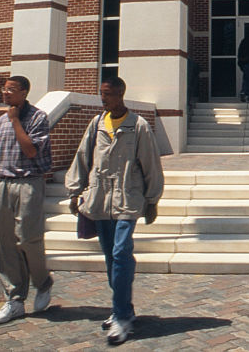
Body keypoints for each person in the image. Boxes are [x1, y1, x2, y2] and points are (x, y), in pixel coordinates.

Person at [65, 76, 164, 345]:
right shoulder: (96, 124)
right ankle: (123, 308)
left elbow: (151, 165)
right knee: (111, 256)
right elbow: (82, 158)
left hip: (127, 200)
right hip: (99, 200)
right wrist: (75, 192)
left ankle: (122, 317)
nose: (103, 98)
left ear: (121, 94)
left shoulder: (138, 126)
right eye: (101, 93)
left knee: (121, 253)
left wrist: (152, 200)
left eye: (107, 94)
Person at [0, 75, 54, 324]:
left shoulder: (38, 118)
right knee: (4, 242)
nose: (5, 94)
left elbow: (31, 150)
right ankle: (14, 299)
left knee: (28, 237)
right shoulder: (0, 122)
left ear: (24, 92)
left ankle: (43, 282)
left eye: (11, 90)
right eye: (4, 89)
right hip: (4, 184)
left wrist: (16, 121)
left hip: (29, 182)